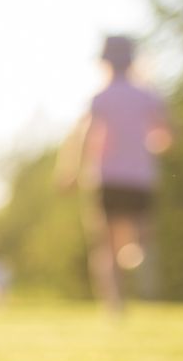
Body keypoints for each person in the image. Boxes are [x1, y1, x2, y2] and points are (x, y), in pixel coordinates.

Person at [56, 34, 172, 318]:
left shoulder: (101, 97)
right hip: (140, 178)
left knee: (105, 245)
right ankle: (134, 256)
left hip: (107, 178)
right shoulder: (148, 96)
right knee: (139, 236)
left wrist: (72, 172)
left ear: (105, 63)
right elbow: (166, 136)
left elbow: (87, 137)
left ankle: (115, 305)